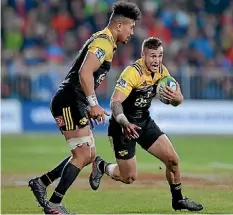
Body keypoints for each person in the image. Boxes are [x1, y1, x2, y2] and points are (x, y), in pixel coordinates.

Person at [28, 1, 141, 214]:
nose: (132, 32)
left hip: (73, 100)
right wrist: (94, 103)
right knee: (82, 155)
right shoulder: (104, 43)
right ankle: (53, 204)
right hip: (70, 100)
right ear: (119, 26)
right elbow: (84, 73)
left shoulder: (105, 41)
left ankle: (42, 183)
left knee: (88, 154)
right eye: (131, 27)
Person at [89, 37, 203, 212]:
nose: (156, 60)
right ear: (143, 55)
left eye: (160, 56)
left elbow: (177, 98)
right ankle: (101, 165)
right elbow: (115, 102)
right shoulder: (132, 73)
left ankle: (178, 199)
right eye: (152, 56)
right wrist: (124, 122)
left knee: (172, 160)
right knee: (128, 177)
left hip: (143, 121)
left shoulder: (162, 72)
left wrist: (177, 98)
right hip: (122, 127)